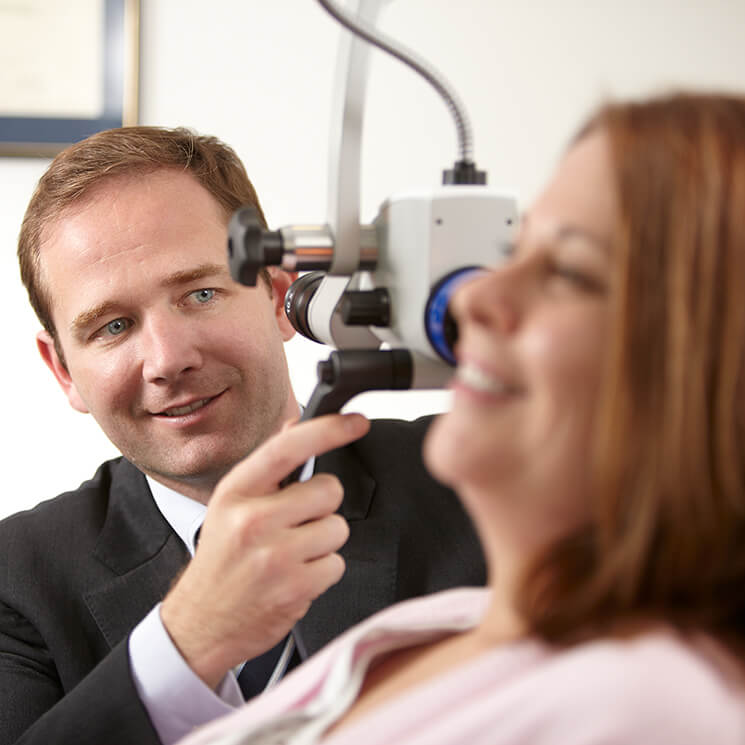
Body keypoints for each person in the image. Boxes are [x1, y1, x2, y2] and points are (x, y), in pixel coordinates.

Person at [174, 91, 745, 745]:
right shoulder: (439, 625)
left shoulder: (648, 704)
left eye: (567, 271)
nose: (473, 295)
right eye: (518, 252)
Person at [0, 127, 485, 745]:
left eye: (200, 294)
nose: (167, 359)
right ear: (63, 370)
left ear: (280, 295)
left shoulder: (477, 479)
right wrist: (187, 642)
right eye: (114, 326)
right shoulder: (14, 582)